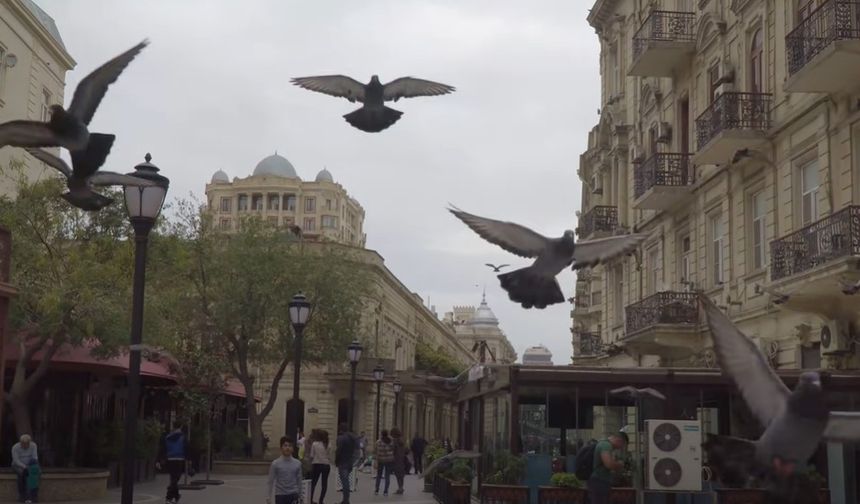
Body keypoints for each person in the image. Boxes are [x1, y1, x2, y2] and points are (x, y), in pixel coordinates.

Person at [587, 432, 628, 504]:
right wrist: (619, 464)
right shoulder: (606, 445)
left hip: (600, 481)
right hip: (600, 481)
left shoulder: (605, 444)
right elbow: (608, 464)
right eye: (622, 445)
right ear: (619, 440)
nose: (620, 448)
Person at [157, 423, 190, 504]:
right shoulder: (183, 437)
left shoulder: (167, 437)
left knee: (173, 478)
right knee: (175, 479)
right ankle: (168, 497)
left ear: (173, 428)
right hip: (179, 459)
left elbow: (163, 449)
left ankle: (176, 495)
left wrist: (159, 460)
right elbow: (186, 448)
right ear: (180, 427)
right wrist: (188, 460)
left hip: (170, 459)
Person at [267, 437, 303, 504]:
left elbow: (299, 481)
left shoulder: (297, 463)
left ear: (293, 448)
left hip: (293, 494)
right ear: (281, 448)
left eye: (290, 446)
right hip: (280, 495)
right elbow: (270, 481)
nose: (287, 448)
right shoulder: (275, 463)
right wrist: (269, 497)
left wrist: (301, 497)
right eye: (285, 445)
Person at [11, 434, 38, 503]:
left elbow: (35, 457)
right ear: (20, 443)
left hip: (30, 464)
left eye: (27, 444)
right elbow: (16, 461)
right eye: (23, 444)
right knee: (21, 474)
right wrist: (25, 467)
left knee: (33, 475)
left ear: (29, 442)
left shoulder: (33, 445)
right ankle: (22, 496)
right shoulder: (15, 447)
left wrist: (31, 466)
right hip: (18, 465)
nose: (25, 446)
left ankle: (32, 497)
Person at [335, 423, 358, 504]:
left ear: (340, 429)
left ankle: (346, 500)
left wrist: (336, 460)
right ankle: (346, 499)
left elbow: (338, 450)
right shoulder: (353, 438)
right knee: (346, 480)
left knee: (345, 481)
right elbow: (357, 449)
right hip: (349, 461)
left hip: (342, 461)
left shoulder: (341, 438)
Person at [309, 429, 331, 504]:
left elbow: (312, 455)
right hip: (326, 464)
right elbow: (328, 455)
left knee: (313, 483)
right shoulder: (328, 444)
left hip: (317, 464)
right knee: (324, 484)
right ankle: (321, 501)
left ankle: (310, 499)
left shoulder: (315, 444)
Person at [374, 430, 394, 496]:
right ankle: (386, 491)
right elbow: (393, 450)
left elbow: (376, 452)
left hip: (381, 460)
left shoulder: (378, 442)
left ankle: (377, 490)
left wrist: (376, 461)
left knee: (379, 475)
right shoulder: (391, 442)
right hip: (389, 460)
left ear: (381, 434)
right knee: (387, 476)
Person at [390, 428, 408, 495]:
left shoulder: (395, 440)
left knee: (398, 474)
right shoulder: (402, 440)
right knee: (401, 475)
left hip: (396, 459)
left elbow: (393, 449)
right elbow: (407, 450)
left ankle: (400, 488)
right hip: (402, 459)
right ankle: (401, 488)